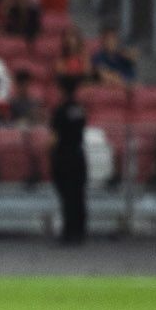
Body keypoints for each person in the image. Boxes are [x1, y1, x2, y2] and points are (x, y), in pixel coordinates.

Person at [50, 75, 88, 245]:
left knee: (67, 196)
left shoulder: (60, 110)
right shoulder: (79, 109)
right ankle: (79, 230)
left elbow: (54, 137)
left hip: (64, 156)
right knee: (78, 195)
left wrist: (50, 153)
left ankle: (69, 232)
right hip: (78, 154)